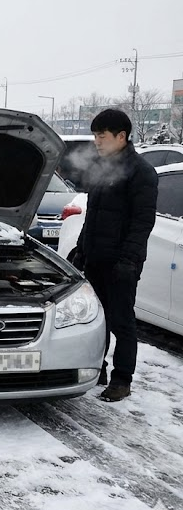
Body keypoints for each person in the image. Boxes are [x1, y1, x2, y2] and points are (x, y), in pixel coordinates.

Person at [68, 108, 157, 402]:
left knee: (121, 321)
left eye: (101, 135)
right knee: (97, 320)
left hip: (121, 263)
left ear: (122, 136)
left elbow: (142, 223)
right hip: (95, 258)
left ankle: (122, 380)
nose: (96, 141)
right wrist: (80, 250)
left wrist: (128, 261)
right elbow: (91, 216)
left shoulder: (141, 173)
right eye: (94, 135)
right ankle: (98, 370)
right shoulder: (101, 169)